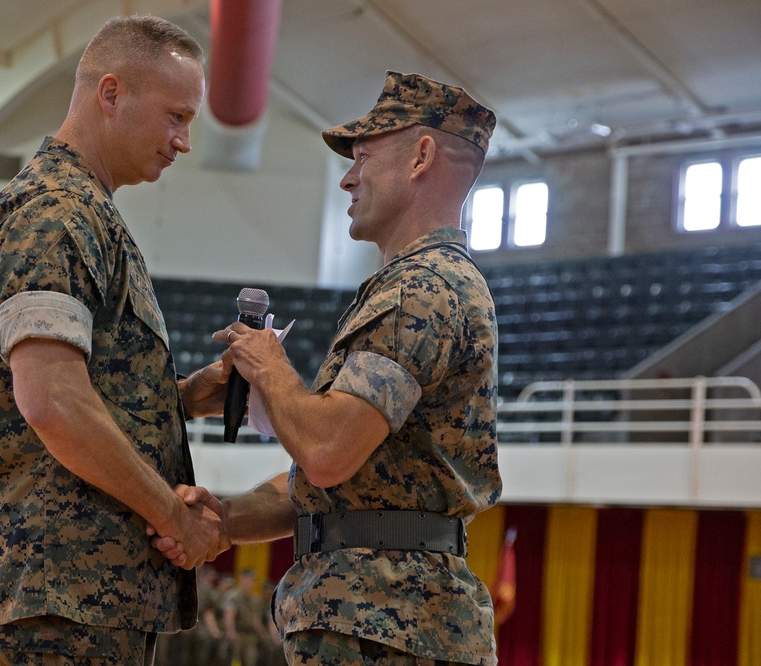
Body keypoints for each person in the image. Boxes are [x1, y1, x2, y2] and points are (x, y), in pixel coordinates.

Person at [156, 71, 502, 665]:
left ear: (421, 157)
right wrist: (223, 520)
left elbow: (326, 451)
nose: (347, 177)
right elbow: (331, 486)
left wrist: (267, 367)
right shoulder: (414, 286)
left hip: (388, 627)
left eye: (363, 157)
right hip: (384, 622)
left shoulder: (421, 288)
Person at [0, 14, 229, 666]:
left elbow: (87, 386)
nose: (183, 141)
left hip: (87, 586)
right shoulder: (54, 212)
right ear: (111, 93)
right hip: (63, 585)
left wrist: (186, 397)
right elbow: (52, 401)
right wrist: (172, 513)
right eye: (175, 116)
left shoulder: (88, 213)